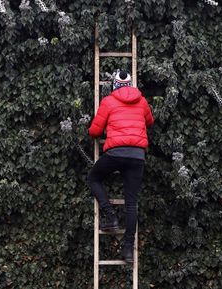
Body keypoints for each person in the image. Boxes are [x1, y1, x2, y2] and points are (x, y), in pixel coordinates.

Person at [87, 69, 154, 263]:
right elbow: (150, 121)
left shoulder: (108, 101)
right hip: (137, 156)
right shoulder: (141, 101)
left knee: (93, 178)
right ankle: (127, 251)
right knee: (131, 203)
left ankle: (111, 216)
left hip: (116, 153)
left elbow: (95, 131)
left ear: (114, 85)